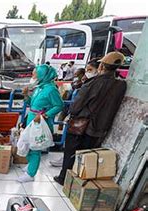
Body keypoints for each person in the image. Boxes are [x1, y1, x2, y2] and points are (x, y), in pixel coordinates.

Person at [53, 52, 127, 185]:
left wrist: (71, 113)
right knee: (88, 157)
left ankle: (64, 178)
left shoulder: (93, 83)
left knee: (71, 153)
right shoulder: (121, 85)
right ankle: (79, 182)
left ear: (101, 67)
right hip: (101, 127)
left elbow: (76, 106)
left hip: (82, 125)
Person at [50, 59, 100, 168]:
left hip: (81, 119)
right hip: (78, 117)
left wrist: (72, 111)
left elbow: (78, 103)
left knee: (73, 145)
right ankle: (65, 161)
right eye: (87, 70)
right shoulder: (82, 83)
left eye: (90, 70)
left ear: (99, 69)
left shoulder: (91, 85)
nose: (87, 72)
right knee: (70, 144)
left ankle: (66, 167)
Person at [18, 64, 64, 183]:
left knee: (35, 147)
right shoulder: (39, 87)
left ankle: (31, 174)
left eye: (35, 74)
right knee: (27, 143)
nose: (33, 76)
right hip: (32, 119)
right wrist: (25, 95)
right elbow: (31, 104)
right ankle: (30, 165)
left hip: (41, 122)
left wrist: (45, 115)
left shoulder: (51, 89)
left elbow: (59, 105)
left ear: (43, 75)